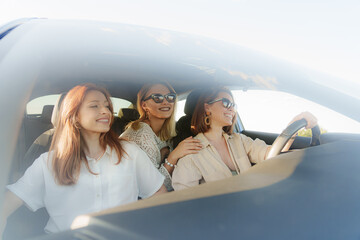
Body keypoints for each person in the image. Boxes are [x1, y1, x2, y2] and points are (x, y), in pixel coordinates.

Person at [1, 83, 166, 235]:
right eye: (94, 106)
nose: (105, 111)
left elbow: (159, 195)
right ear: (74, 115)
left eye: (107, 106)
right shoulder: (48, 162)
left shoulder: (130, 152)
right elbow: (6, 206)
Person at [172, 87, 318, 190]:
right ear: (207, 108)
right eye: (226, 103)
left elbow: (273, 154)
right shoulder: (191, 152)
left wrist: (292, 127)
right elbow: (183, 205)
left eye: (233, 105)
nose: (231, 109)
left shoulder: (239, 140)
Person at [121, 82, 203, 191]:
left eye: (170, 97)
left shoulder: (167, 132)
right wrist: (174, 156)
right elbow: (154, 188)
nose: (165, 102)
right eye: (157, 98)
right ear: (144, 105)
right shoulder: (141, 133)